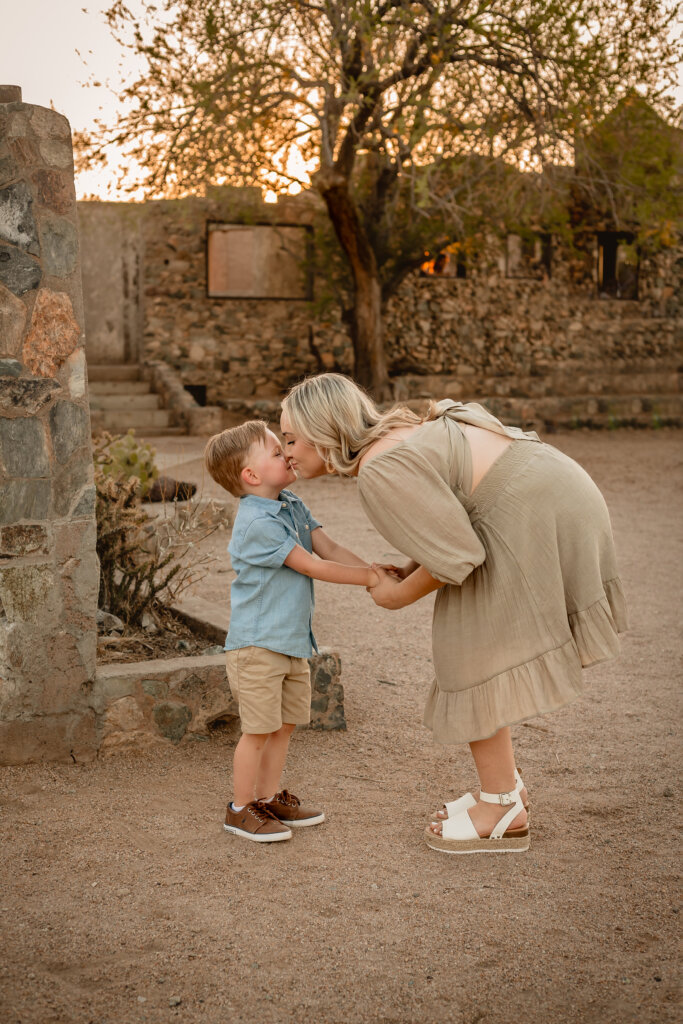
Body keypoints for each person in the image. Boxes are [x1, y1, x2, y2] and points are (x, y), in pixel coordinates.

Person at [280, 373, 628, 855]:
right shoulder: (396, 438)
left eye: (291, 439)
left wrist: (396, 596)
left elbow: (458, 554)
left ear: (323, 432)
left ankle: (501, 808)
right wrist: (410, 566)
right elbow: (450, 518)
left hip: (531, 508)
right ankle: (505, 790)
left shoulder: (380, 469)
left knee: (468, 649)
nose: (286, 453)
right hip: (557, 490)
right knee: (474, 644)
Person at [204, 420, 378, 843]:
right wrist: (370, 580)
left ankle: (267, 798)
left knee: (283, 726)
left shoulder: (291, 503)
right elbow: (311, 565)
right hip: (258, 646)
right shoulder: (256, 524)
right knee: (258, 730)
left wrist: (374, 569)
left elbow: (329, 548)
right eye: (277, 450)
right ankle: (241, 809)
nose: (288, 452)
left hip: (290, 642)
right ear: (251, 475)